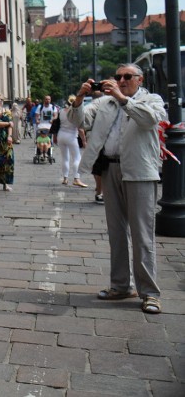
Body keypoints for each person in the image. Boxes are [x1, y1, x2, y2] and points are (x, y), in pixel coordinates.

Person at [68, 64, 167, 314]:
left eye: (127, 77)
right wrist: (80, 98)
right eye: (118, 77)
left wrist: (122, 99)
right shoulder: (104, 104)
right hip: (110, 169)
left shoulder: (151, 99)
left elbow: (149, 120)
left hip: (140, 172)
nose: (121, 81)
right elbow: (76, 120)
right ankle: (121, 285)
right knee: (116, 232)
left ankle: (150, 292)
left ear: (139, 79)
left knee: (142, 234)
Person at [52, 95, 87, 187]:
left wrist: (55, 136)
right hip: (71, 136)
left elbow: (57, 123)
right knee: (77, 158)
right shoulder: (76, 114)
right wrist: (84, 140)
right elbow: (80, 129)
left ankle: (65, 178)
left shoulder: (61, 111)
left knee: (65, 158)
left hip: (61, 135)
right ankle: (76, 178)